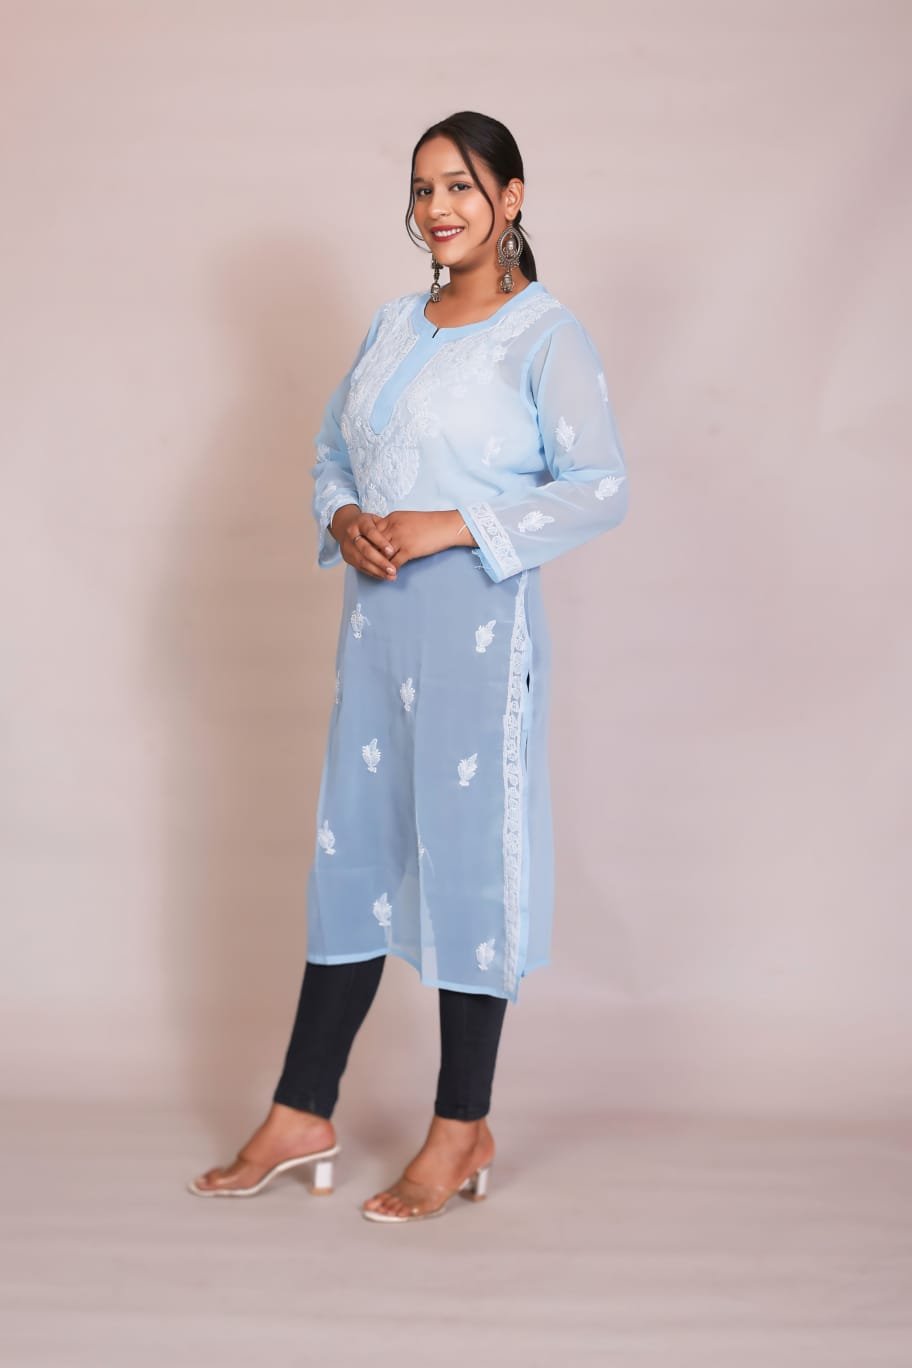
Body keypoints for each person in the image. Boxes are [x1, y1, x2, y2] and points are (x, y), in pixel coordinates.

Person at [188, 110, 629, 1222]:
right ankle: (301, 1110)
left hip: (476, 631)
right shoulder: (393, 325)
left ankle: (461, 1123)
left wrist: (453, 524)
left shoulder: (544, 335)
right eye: (425, 188)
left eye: (463, 187)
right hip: (375, 633)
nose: (439, 208)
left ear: (512, 199)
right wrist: (343, 518)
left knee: (470, 861)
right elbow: (333, 452)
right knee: (350, 857)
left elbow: (598, 486)